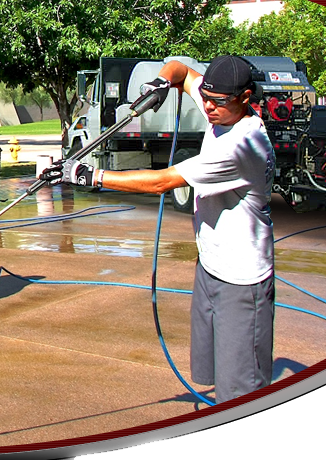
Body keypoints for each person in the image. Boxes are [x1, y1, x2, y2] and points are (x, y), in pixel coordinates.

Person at [39, 55, 275, 448]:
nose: (209, 106)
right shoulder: (221, 106)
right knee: (225, 376)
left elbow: (162, 182)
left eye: (218, 101)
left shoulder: (242, 145)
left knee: (246, 388)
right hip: (212, 266)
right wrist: (162, 84)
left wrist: (90, 175)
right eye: (207, 98)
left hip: (242, 279)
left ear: (245, 97)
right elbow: (179, 67)